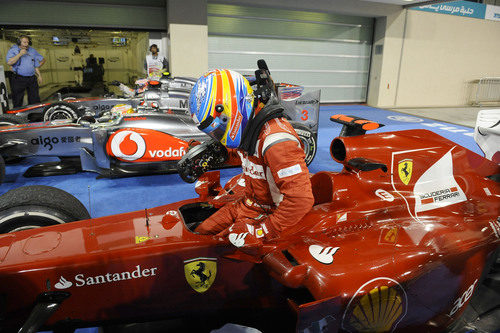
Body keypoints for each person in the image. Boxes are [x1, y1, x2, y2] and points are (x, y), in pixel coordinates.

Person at [190, 69, 314, 250]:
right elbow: (248, 157)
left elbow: (301, 200)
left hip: (270, 213)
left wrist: (262, 231)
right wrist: (219, 155)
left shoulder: (278, 142)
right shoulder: (250, 124)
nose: (217, 135)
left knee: (211, 249)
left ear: (231, 110)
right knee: (199, 233)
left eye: (217, 129)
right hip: (248, 203)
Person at [6, 35, 45, 107]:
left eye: (27, 42)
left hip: (32, 78)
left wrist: (39, 76)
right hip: (19, 78)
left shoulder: (32, 50)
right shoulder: (13, 50)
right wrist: (20, 54)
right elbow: (9, 62)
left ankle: (34, 115)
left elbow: (35, 65)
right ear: (19, 42)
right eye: (24, 42)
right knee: (18, 99)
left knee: (35, 99)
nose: (26, 44)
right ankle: (17, 116)